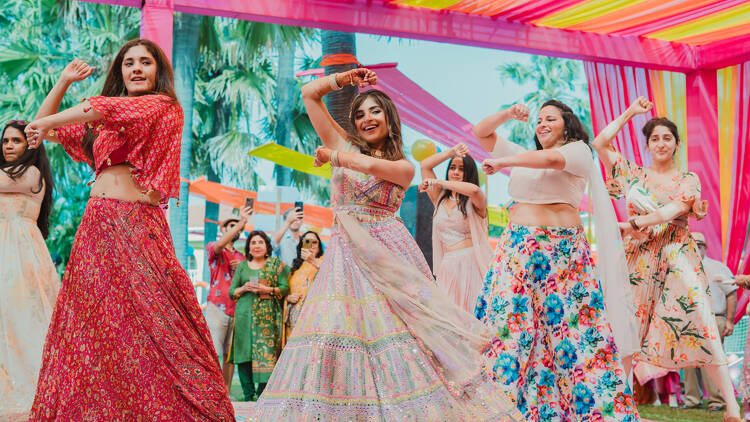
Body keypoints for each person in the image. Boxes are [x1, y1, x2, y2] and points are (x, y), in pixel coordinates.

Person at [255, 68, 521, 421]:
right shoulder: (344, 144)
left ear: (390, 120)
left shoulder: (402, 167)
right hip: (346, 257)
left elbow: (368, 165)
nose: (366, 118)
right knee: (335, 330)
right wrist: (347, 79)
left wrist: (332, 155)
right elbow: (308, 94)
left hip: (388, 257)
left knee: (403, 338)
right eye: (360, 114)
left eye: (375, 111)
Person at [24, 47, 234, 420]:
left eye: (145, 62)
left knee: (161, 318)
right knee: (96, 322)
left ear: (158, 72)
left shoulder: (163, 106)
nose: (137, 68)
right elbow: (40, 128)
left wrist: (57, 117)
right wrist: (63, 81)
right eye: (129, 63)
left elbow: (98, 108)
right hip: (97, 226)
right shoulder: (102, 125)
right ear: (120, 72)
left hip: (138, 225)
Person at [474, 100, 639, 420]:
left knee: (574, 335)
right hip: (519, 252)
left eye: (551, 118)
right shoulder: (525, 156)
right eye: (538, 120)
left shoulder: (578, 150)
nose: (542, 124)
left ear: (568, 124)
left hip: (564, 259)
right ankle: (502, 411)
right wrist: (508, 113)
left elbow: (551, 158)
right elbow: (480, 132)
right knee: (512, 331)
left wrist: (503, 160)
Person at [592, 96, 740, 422]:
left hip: (677, 257)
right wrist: (631, 111)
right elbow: (600, 141)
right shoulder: (634, 175)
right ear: (648, 145)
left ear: (676, 144)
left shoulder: (688, 178)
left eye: (667, 138)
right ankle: (620, 407)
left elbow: (675, 209)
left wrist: (633, 224)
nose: (661, 143)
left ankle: (732, 407)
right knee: (629, 330)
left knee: (701, 325)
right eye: (654, 138)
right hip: (640, 260)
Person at [0, 120, 59, 420]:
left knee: (23, 319)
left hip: (22, 256)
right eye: (6, 141)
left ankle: (39, 390)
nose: (9, 146)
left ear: (30, 146)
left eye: (16, 141)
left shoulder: (32, 174)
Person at [419, 142, 491, 312]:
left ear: (469, 173)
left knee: (472, 314)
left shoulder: (474, 201)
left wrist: (438, 182)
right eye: (453, 167)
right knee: (449, 317)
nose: (456, 172)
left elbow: (474, 190)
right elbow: (425, 165)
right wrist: (451, 152)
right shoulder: (440, 199)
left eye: (461, 169)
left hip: (471, 263)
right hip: (448, 265)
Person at [228, 230, 289, 402]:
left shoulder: (277, 265)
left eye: (260, 242)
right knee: (244, 353)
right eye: (253, 243)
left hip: (267, 319)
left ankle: (263, 394)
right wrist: (244, 288)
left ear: (267, 246)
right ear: (248, 247)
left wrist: (267, 290)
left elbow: (285, 288)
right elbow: (232, 292)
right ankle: (248, 395)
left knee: (267, 354)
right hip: (244, 315)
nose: (256, 246)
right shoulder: (242, 266)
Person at [683, 232, 737, 411]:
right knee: (689, 360)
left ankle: (717, 401)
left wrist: (729, 321)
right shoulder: (683, 268)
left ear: (705, 247)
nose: (696, 248)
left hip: (714, 318)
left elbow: (731, 294)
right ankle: (692, 400)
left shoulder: (717, 267)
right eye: (693, 245)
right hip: (690, 320)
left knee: (712, 360)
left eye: (699, 245)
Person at [205, 207, 252, 391]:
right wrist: (241, 222)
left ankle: (225, 392)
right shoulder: (213, 247)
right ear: (223, 230)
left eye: (237, 227)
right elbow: (218, 246)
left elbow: (252, 281)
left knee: (229, 356)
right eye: (230, 226)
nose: (235, 229)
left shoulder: (242, 257)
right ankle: (211, 391)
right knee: (213, 353)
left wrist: (244, 268)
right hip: (217, 307)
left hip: (238, 309)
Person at [283, 230, 324, 342]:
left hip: (315, 318)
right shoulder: (295, 266)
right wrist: (288, 298)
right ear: (301, 246)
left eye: (314, 242)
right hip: (294, 318)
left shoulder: (325, 262)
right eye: (307, 241)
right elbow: (286, 290)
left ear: (319, 246)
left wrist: (313, 261)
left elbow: (333, 280)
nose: (311, 244)